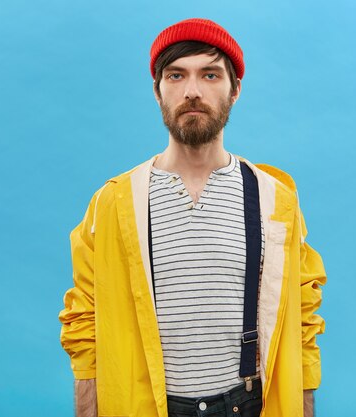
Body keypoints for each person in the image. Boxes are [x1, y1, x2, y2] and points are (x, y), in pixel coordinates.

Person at [59, 18, 327, 417]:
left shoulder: (276, 201)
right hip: (147, 406)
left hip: (248, 404)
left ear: (235, 90)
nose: (192, 91)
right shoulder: (113, 204)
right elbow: (84, 322)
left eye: (210, 74)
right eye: (176, 75)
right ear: (157, 90)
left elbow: (304, 320)